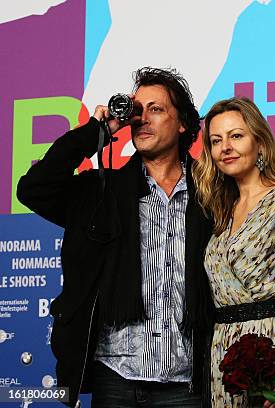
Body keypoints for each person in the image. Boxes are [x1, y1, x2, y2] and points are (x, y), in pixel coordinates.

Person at [17, 67, 214, 408]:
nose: (142, 119)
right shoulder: (101, 191)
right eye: (137, 110)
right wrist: (96, 133)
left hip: (188, 380)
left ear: (182, 123)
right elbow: (35, 189)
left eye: (156, 109)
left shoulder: (212, 195)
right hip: (116, 379)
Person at [193, 97, 275, 408]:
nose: (225, 146)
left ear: (260, 143)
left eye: (236, 136)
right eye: (216, 140)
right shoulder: (219, 213)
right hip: (225, 362)